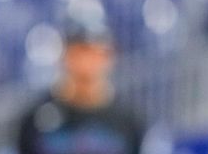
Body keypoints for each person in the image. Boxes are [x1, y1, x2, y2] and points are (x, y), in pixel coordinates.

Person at [15, 16, 144, 154]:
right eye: (81, 51)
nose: (87, 62)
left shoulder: (127, 121)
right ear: (65, 55)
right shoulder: (36, 119)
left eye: (95, 52)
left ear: (109, 57)